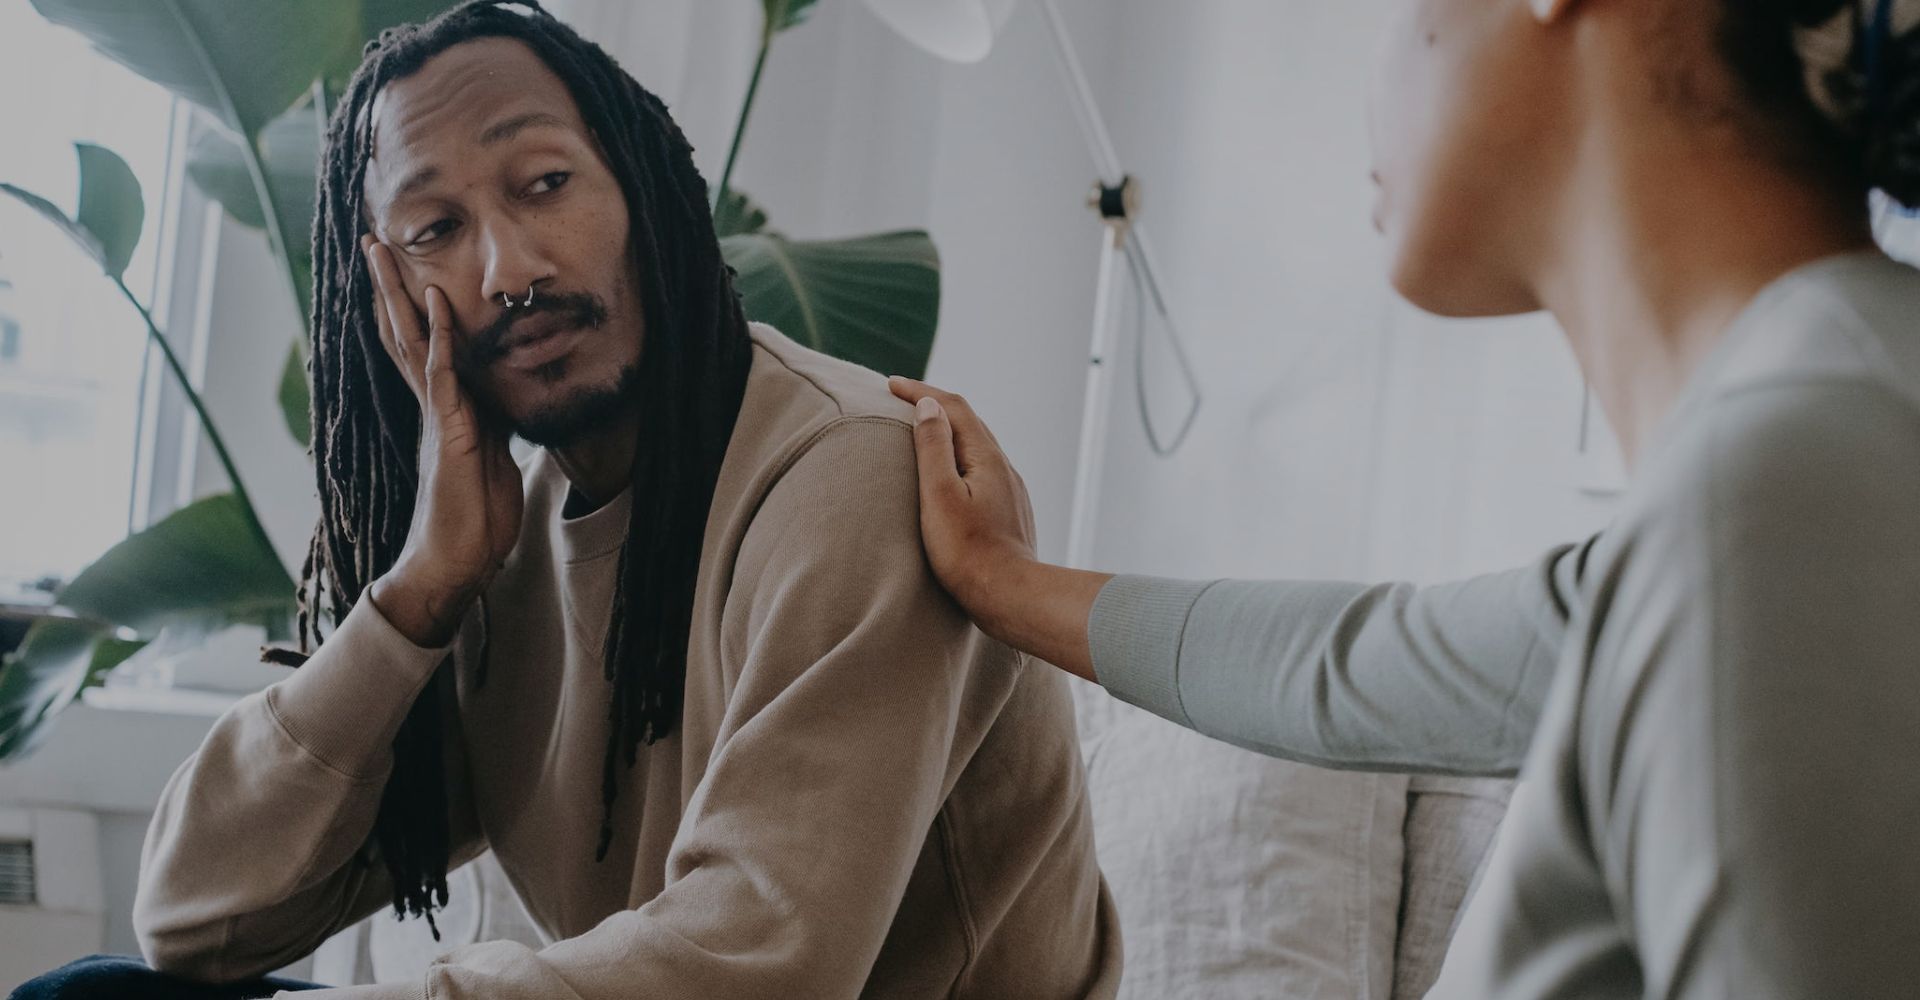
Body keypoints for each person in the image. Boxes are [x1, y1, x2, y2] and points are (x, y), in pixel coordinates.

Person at [15, 3, 1120, 998]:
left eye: (544, 183)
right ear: (393, 298)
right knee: (95, 998)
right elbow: (198, 919)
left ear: (641, 188)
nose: (509, 266)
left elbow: (765, 961)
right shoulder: (504, 538)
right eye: (435, 229)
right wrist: (417, 593)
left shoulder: (854, 474)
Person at [889, 0, 1920, 997]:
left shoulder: (1786, 497)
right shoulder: (1796, 460)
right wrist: (1001, 579)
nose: (1379, 64)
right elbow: (1351, 665)